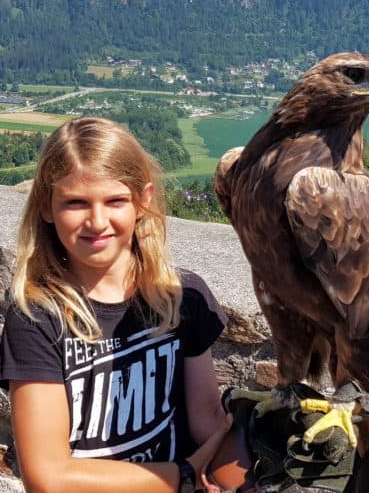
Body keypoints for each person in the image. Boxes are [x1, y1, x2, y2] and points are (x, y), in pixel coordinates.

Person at [0, 116, 233, 492]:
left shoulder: (183, 297)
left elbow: (208, 421)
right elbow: (49, 478)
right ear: (46, 207)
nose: (97, 221)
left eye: (115, 201)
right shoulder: (37, 318)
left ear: (143, 201)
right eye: (76, 202)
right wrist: (183, 476)